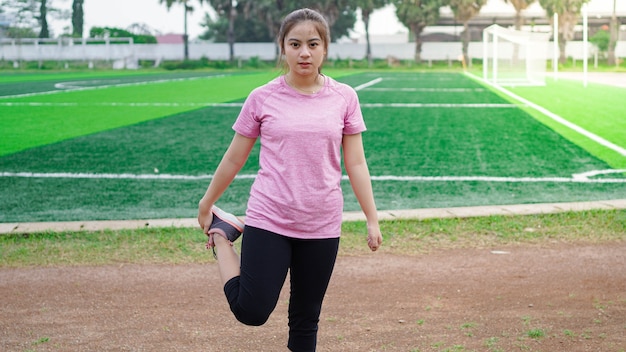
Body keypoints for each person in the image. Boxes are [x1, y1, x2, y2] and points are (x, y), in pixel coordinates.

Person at [197, 8, 382, 352]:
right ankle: (224, 235)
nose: (304, 52)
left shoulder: (344, 98)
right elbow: (235, 157)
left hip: (322, 223)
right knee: (251, 310)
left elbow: (356, 163)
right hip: (270, 218)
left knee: (305, 319)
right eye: (295, 44)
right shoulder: (262, 97)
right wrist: (207, 202)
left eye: (313, 44)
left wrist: (372, 218)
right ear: (283, 47)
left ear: (325, 48)